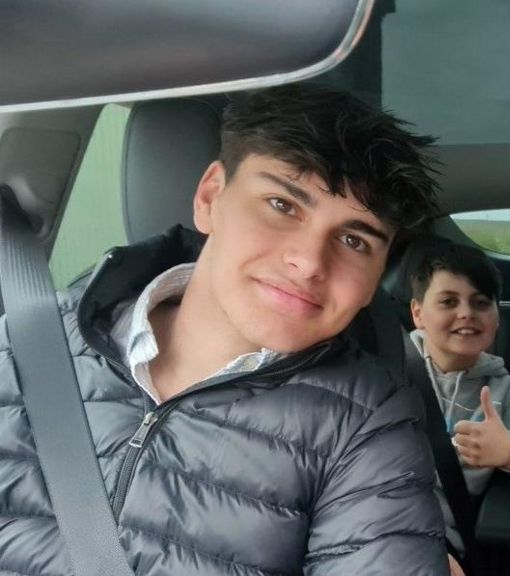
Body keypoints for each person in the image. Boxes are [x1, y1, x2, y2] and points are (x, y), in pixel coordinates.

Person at [0, 84, 449, 574]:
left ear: (373, 285)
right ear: (210, 197)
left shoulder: (370, 421)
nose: (307, 262)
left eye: (353, 240)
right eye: (282, 205)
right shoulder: (26, 341)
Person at [408, 243, 510, 555]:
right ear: (418, 313)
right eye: (448, 302)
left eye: (481, 303)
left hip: (440, 541)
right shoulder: (387, 370)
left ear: (496, 318)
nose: (466, 313)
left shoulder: (502, 391)